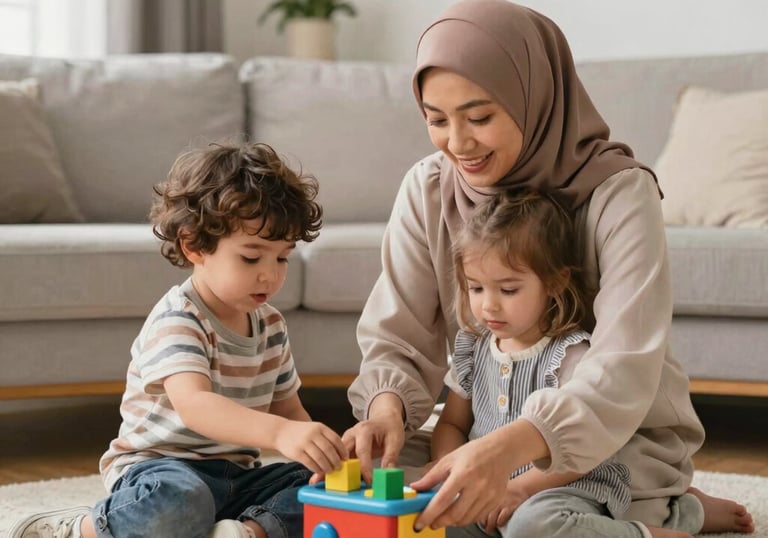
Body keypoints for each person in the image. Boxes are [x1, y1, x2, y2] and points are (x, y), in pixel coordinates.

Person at [342, 1, 754, 537]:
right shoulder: (428, 187)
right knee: (367, 497)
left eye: (480, 116)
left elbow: (623, 368)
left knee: (535, 526)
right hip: (487, 438)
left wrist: (506, 455)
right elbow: (399, 333)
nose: (458, 144)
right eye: (436, 119)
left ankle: (665, 509)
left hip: (610, 444)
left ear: (532, 97)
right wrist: (386, 410)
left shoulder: (619, 193)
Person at [9, 142, 348, 538]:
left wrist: (323, 454)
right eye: (252, 258)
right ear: (195, 245)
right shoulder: (179, 319)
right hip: (160, 471)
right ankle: (85, 528)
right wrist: (278, 434)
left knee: (319, 488)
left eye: (282, 257)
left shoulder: (270, 325)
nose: (269, 275)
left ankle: (245, 532)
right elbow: (196, 406)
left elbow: (289, 410)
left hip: (238, 477)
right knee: (181, 501)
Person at [432, 187, 658, 536]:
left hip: (558, 488)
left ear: (554, 282)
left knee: (531, 525)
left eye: (507, 290)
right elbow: (451, 425)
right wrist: (450, 477)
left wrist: (521, 489)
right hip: (489, 494)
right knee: (430, 518)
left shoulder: (569, 356)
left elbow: (587, 448)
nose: (488, 306)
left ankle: (655, 529)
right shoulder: (472, 347)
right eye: (476, 288)